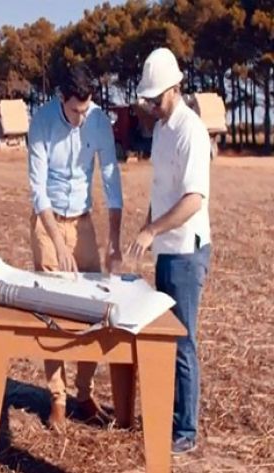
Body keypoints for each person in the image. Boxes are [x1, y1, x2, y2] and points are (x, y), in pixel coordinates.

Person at [27, 63, 124, 429]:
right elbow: (37, 188)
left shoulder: (97, 121)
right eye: (74, 111)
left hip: (83, 221)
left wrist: (113, 240)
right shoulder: (41, 123)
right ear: (60, 98)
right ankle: (56, 398)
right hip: (48, 223)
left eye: (86, 110)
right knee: (51, 314)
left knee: (92, 310)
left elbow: (111, 177)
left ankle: (83, 394)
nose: (81, 118)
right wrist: (55, 240)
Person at [129, 47, 211, 455]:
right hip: (165, 248)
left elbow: (193, 199)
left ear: (176, 89)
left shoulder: (190, 131)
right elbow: (161, 192)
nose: (153, 107)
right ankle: (171, 415)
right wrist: (148, 228)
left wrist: (152, 229)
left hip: (186, 252)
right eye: (149, 100)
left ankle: (186, 430)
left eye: (157, 99)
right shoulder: (161, 130)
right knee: (164, 338)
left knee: (183, 341)